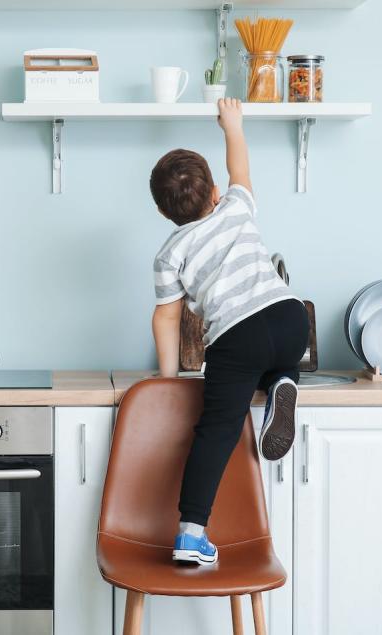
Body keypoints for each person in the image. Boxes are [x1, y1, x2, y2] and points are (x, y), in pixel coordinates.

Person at [150, 98, 310, 566]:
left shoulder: (169, 253)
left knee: (217, 430)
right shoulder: (237, 208)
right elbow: (240, 164)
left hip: (234, 340)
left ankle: (190, 534)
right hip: (288, 317)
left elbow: (167, 317)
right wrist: (232, 125)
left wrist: (168, 380)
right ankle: (284, 382)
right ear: (215, 191)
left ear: (164, 213)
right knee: (280, 358)